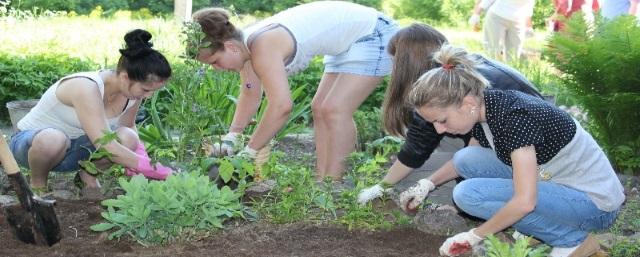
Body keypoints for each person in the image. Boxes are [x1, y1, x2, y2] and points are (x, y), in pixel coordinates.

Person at [398, 44, 624, 257]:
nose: (439, 130)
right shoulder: (486, 106)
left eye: (442, 120)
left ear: (467, 104)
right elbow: (464, 162)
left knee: (468, 195)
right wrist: (426, 184)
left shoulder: (515, 119)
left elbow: (525, 202)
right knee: (466, 157)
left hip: (595, 206)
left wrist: (474, 236)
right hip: (555, 182)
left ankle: (571, 240)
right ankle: (539, 228)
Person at [192, 1, 399, 182]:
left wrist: (250, 151)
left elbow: (282, 106)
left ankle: (334, 186)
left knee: (335, 110)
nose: (217, 69)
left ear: (230, 47)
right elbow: (250, 94)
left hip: (373, 33)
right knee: (320, 108)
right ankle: (323, 181)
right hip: (348, 41)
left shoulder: (262, 46)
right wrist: (233, 135)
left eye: (215, 62)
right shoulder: (245, 50)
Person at [357, 23, 542, 205]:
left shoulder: (438, 89)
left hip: (529, 155)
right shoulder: (454, 71)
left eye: (394, 62)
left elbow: (419, 150)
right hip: (515, 138)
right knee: (434, 142)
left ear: (405, 63)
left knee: (408, 181)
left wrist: (384, 185)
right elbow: (424, 139)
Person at [9, 29, 175, 199]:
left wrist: (141, 157)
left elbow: (127, 127)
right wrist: (154, 169)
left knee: (128, 136)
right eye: (146, 89)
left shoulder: (133, 93)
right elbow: (105, 146)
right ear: (125, 77)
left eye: (153, 92)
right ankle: (38, 185)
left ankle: (87, 176)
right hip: (33, 148)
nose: (149, 96)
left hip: (76, 151)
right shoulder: (85, 87)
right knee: (54, 138)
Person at [468, 0, 535, 61]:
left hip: (518, 21)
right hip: (497, 16)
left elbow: (529, 7)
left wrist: (528, 27)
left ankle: (509, 73)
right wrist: (476, 14)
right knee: (494, 50)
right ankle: (492, 72)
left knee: (514, 53)